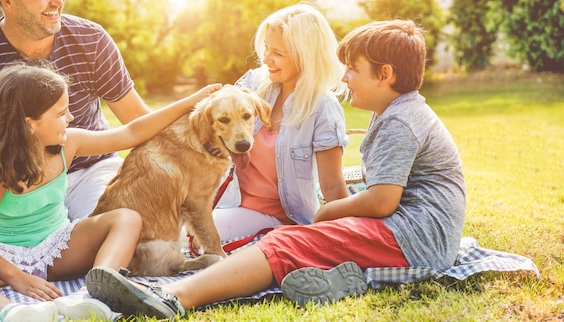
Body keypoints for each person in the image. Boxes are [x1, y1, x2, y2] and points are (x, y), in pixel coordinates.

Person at [85, 19, 467, 319]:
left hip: (415, 239)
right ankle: (340, 279)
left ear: (385, 75)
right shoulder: (398, 114)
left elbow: (382, 201)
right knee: (310, 243)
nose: (345, 78)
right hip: (411, 233)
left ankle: (171, 298)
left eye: (353, 70)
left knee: (283, 243)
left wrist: (329, 211)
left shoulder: (398, 122)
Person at [0, 63, 221, 321]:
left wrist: (190, 102)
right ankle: (13, 312)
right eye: (61, 113)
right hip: (4, 256)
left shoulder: (68, 144)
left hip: (57, 249)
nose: (71, 117)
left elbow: (131, 133)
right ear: (30, 124)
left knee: (126, 218)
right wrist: (16, 277)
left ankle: (95, 295)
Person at [0, 0, 151, 252]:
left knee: (115, 243)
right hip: (20, 184)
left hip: (91, 170)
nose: (57, 2)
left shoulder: (91, 38)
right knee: (5, 255)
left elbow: (137, 123)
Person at [212, 3, 349, 241]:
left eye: (278, 53)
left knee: (182, 230)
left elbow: (333, 187)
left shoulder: (322, 108)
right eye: (266, 48)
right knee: (163, 215)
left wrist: (347, 237)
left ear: (305, 55)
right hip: (227, 201)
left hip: (279, 218)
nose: (266, 59)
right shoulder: (253, 83)